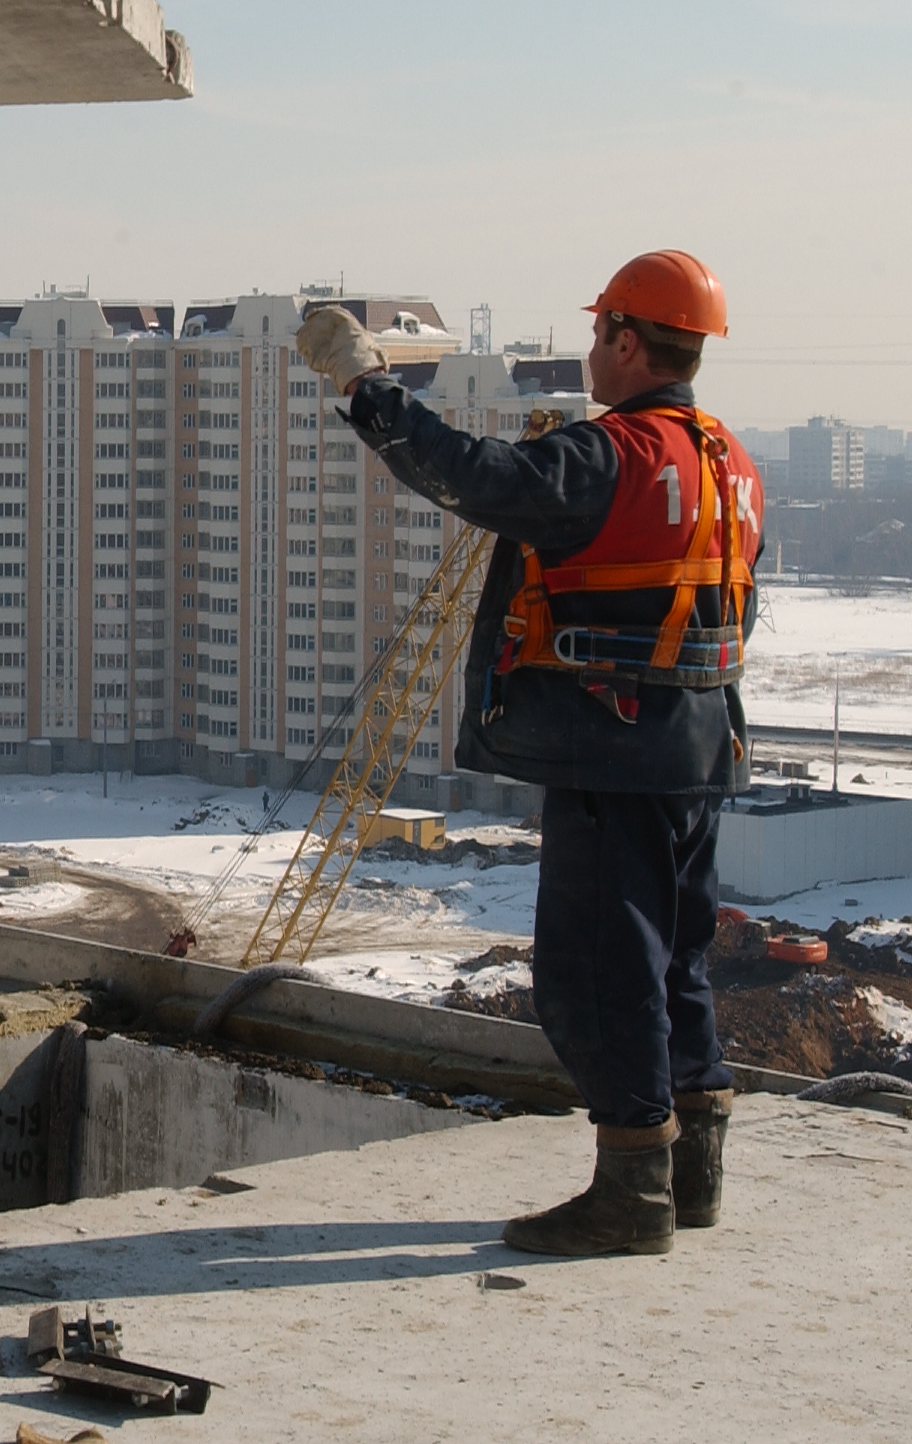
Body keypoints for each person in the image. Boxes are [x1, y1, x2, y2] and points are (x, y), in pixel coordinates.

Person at [292, 251, 762, 1257]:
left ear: (627, 342)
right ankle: (690, 1177)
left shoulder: (615, 454)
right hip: (694, 748)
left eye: (598, 334)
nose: (591, 351)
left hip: (612, 753)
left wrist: (364, 386)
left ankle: (631, 1191)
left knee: (594, 975)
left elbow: (477, 479)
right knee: (671, 958)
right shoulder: (724, 460)